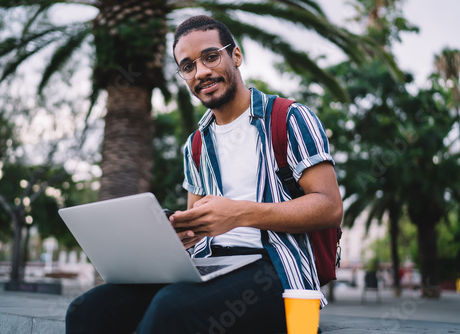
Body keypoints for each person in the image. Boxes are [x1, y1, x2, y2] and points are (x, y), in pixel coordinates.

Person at [66, 15, 343, 334]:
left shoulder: (290, 118)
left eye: (211, 57)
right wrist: (178, 234)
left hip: (276, 272)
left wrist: (239, 214)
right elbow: (197, 224)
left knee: (172, 307)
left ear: (235, 55)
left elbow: (329, 207)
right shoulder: (195, 144)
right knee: (88, 310)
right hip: (209, 265)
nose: (202, 72)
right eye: (188, 66)